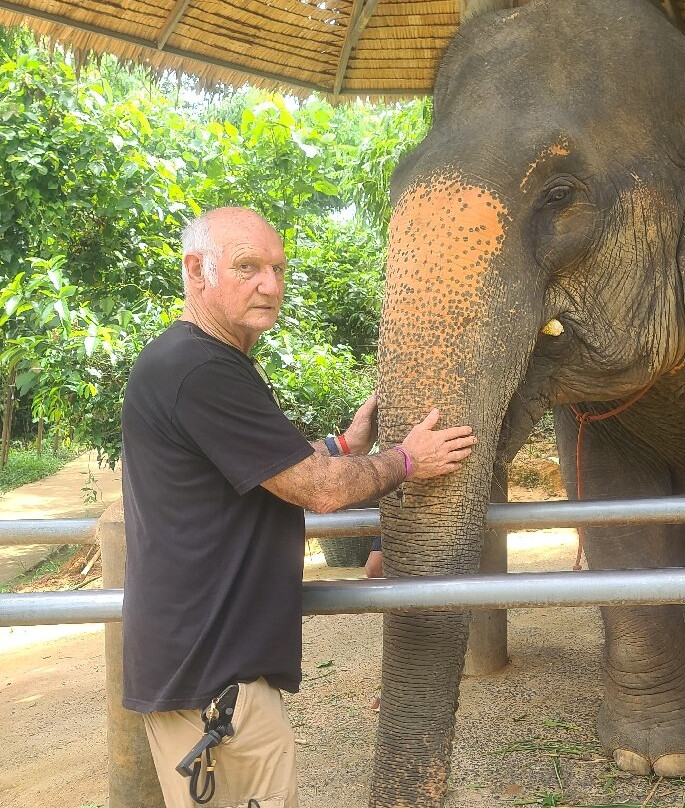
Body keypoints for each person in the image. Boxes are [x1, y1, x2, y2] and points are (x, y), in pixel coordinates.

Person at [120, 206, 476, 808]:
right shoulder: (200, 369)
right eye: (248, 267)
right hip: (211, 679)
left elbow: (267, 470)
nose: (270, 284)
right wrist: (407, 460)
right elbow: (321, 490)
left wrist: (344, 445)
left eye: (278, 268)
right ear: (195, 270)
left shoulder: (199, 361)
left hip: (214, 669)